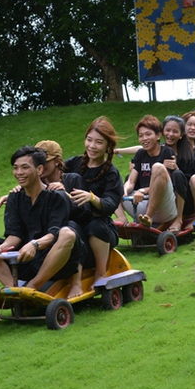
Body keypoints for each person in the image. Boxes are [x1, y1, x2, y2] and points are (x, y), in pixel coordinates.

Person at [0, 146, 85, 294]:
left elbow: (54, 233)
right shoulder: (14, 198)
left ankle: (33, 286)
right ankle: (13, 287)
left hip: (54, 259)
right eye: (15, 168)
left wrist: (34, 244)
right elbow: (14, 235)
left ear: (39, 170)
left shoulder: (57, 196)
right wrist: (1, 248)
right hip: (24, 258)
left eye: (25, 167)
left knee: (68, 234)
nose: (19, 173)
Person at [64, 117, 124, 297]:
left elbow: (110, 204)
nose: (92, 146)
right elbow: (46, 175)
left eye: (98, 142)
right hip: (75, 226)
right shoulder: (73, 163)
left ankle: (100, 273)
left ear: (108, 146)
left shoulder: (112, 173)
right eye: (89, 140)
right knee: (70, 228)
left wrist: (91, 198)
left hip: (102, 230)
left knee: (94, 225)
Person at [119, 115, 178, 229]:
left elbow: (165, 183)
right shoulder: (140, 154)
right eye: (141, 136)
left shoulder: (167, 152)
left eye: (148, 134)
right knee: (115, 188)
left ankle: (149, 217)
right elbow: (131, 181)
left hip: (164, 204)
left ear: (158, 135)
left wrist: (142, 191)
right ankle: (123, 221)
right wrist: (124, 190)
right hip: (144, 203)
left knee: (157, 167)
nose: (144, 139)